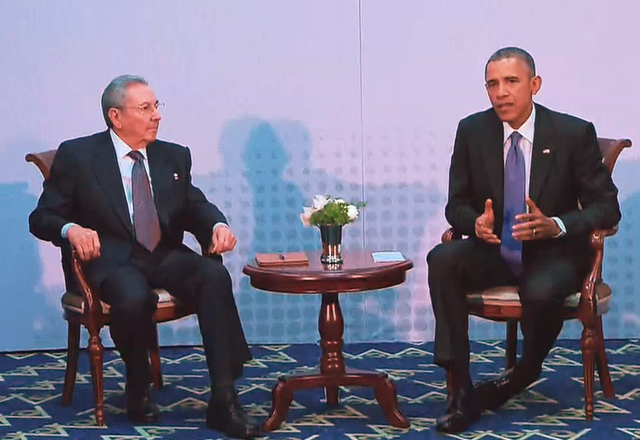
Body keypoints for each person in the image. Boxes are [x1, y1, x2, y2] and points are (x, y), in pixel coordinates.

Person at [29, 74, 261, 439]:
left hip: (162, 254)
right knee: (135, 297)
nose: (156, 116)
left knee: (214, 276)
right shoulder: (79, 156)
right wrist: (71, 229)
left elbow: (194, 205)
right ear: (116, 117)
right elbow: (42, 217)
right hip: (110, 260)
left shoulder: (173, 155)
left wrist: (217, 225)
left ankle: (224, 399)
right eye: (145, 108)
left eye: (156, 106)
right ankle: (137, 382)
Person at [426, 47, 621, 433]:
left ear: (535, 85)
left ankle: (523, 373)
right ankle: (460, 386)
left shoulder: (571, 133)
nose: (501, 93)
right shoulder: (472, 130)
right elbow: (456, 206)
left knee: (541, 289)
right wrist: (476, 223)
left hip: (554, 252)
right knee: (442, 258)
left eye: (511, 82)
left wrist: (557, 224)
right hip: (497, 248)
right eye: (492, 84)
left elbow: (607, 209)